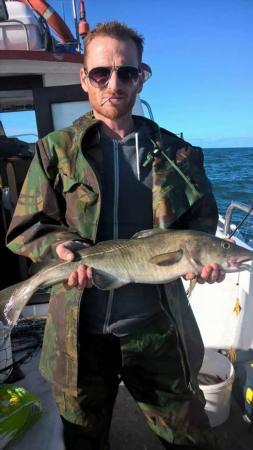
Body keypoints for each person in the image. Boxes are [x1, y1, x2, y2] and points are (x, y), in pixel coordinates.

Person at [6, 21, 224, 450]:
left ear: (142, 77)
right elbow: (27, 227)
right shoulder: (55, 150)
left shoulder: (178, 154)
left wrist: (208, 263)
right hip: (79, 336)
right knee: (83, 439)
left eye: (127, 72)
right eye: (101, 72)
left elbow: (202, 225)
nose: (114, 83)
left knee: (192, 440)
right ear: (84, 78)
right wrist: (58, 247)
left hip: (158, 330)